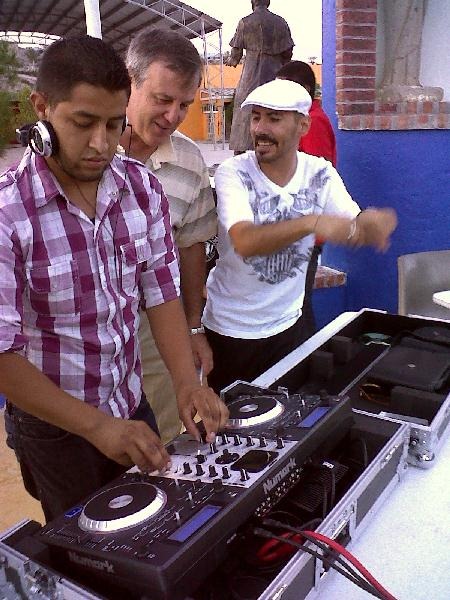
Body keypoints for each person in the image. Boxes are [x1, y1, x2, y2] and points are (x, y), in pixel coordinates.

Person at [0, 36, 228, 522]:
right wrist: (98, 427)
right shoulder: (8, 213)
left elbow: (161, 294)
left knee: (153, 529)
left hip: (130, 403)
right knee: (84, 546)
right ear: (41, 108)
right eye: (83, 123)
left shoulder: (141, 188)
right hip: (55, 429)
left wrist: (186, 384)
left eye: (113, 123)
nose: (101, 144)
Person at [202, 79, 397, 394]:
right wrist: (311, 223)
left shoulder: (320, 173)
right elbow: (245, 242)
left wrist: (370, 225)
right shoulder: (233, 173)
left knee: (291, 416)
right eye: (256, 117)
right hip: (232, 331)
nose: (260, 129)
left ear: (303, 125)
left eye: (274, 119)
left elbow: (354, 223)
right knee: (232, 420)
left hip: (290, 326)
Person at [122, 30, 217, 444]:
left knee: (156, 437)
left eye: (185, 105)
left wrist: (193, 327)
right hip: (82, 327)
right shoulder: (90, 151)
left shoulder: (190, 161)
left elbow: (192, 247)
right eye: (162, 99)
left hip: (155, 324)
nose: (173, 115)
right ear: (129, 82)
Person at [276, 60, 337, 339]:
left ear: (303, 90)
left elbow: (314, 179)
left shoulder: (312, 124)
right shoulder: (298, 122)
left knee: (298, 305)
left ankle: (307, 359)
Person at [227, 0, 294, 153]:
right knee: (276, 113)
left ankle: (242, 151)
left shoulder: (245, 22)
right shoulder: (280, 22)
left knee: (245, 111)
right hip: (275, 77)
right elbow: (288, 54)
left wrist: (230, 61)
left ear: (253, 2)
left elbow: (235, 56)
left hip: (250, 78)